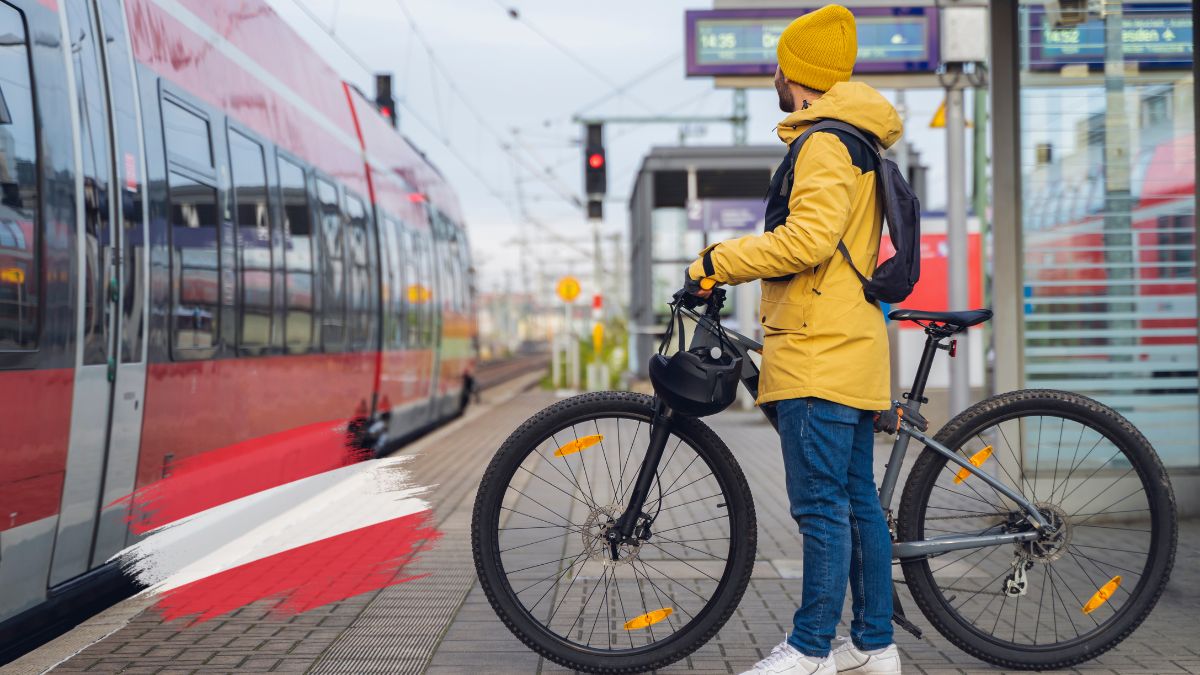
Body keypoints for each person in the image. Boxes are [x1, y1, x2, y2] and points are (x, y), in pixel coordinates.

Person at [683, 5, 903, 674]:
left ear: (798, 75)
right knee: (857, 502)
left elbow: (808, 240)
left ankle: (809, 650)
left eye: (780, 65)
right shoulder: (854, 138)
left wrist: (716, 260)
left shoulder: (824, 143)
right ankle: (873, 644)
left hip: (819, 348)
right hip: (847, 344)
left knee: (821, 507)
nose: (774, 74)